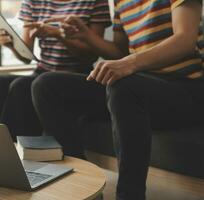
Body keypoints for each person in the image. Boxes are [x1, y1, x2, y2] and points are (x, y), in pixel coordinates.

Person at [31, 0, 204, 199]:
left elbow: (185, 40)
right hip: (139, 85)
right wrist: (86, 36)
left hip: (184, 89)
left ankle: (129, 195)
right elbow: (119, 51)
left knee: (124, 85)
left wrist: (129, 63)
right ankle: (84, 188)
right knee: (47, 86)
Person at [0, 0, 112, 140]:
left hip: (76, 74)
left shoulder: (95, 2)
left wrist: (59, 35)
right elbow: (26, 57)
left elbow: (90, 56)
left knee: (21, 86)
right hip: (42, 72)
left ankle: (16, 153)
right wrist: (11, 44)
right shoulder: (33, 2)